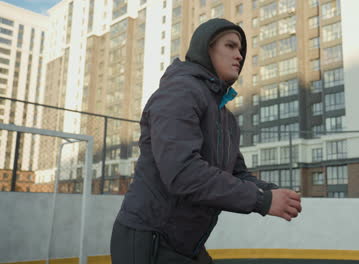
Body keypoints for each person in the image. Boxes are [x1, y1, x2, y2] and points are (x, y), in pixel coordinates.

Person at [110, 18, 302, 264]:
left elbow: (236, 174)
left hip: (186, 243)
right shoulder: (179, 92)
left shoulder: (225, 117)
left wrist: (271, 191)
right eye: (230, 46)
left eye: (241, 50)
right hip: (149, 238)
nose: (239, 56)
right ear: (206, 48)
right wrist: (262, 201)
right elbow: (183, 172)